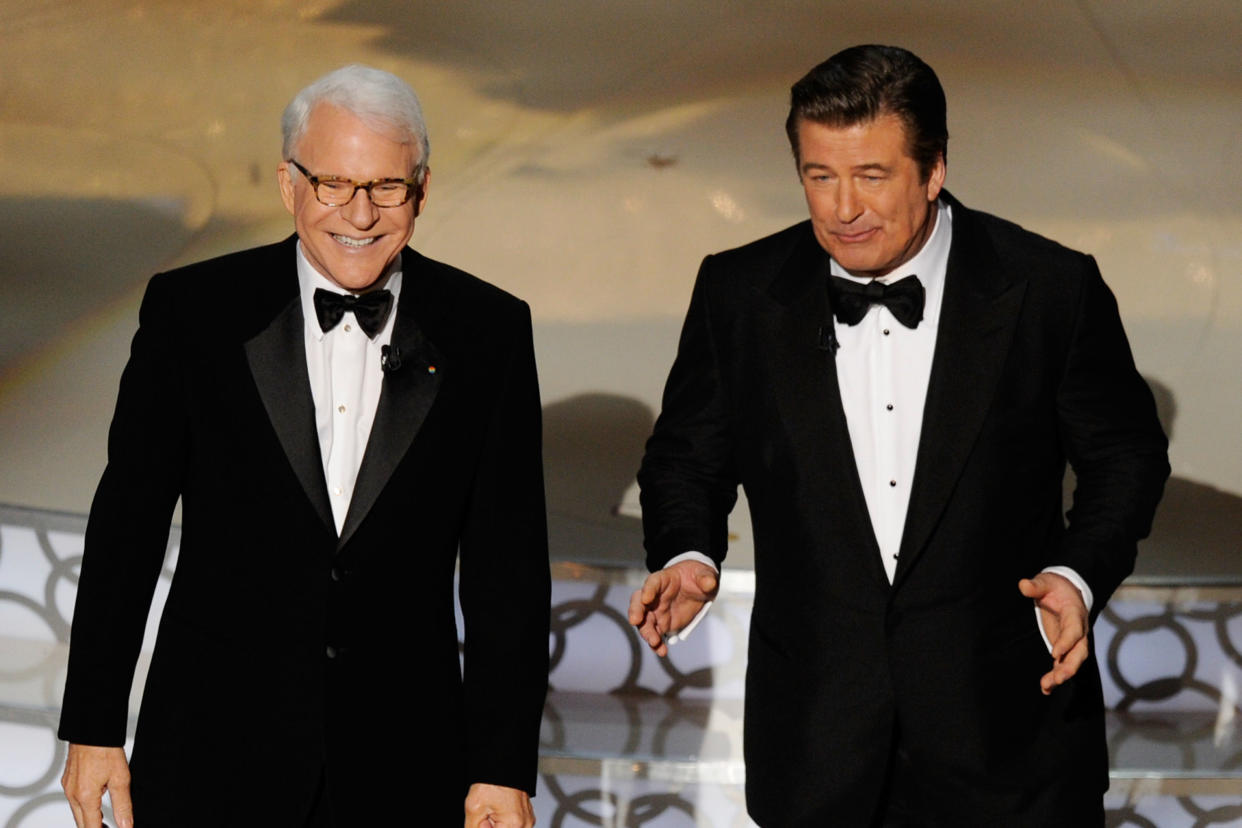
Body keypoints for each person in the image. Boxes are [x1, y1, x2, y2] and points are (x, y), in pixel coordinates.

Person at [629, 45, 1168, 826]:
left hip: (1010, 750)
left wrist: (1079, 575)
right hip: (816, 751)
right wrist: (686, 550)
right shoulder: (739, 292)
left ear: (934, 169)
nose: (843, 208)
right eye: (820, 176)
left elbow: (1126, 457)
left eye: (872, 177)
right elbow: (686, 455)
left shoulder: (1050, 288)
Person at [57, 64, 549, 828]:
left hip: (404, 765)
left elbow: (507, 570)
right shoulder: (195, 315)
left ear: (422, 188)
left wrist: (501, 766)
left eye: (387, 187)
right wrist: (92, 724)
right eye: (333, 184)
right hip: (212, 754)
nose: (360, 213)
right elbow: (127, 527)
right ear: (289, 185)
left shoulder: (488, 331)